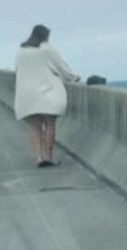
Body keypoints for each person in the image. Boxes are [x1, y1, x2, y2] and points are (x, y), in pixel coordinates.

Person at [14, 24, 80, 168]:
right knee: (49, 125)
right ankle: (48, 157)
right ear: (45, 35)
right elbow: (62, 67)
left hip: (27, 95)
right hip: (48, 93)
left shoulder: (21, 50)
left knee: (35, 128)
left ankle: (39, 158)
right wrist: (75, 78)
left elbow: (18, 70)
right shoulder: (47, 49)